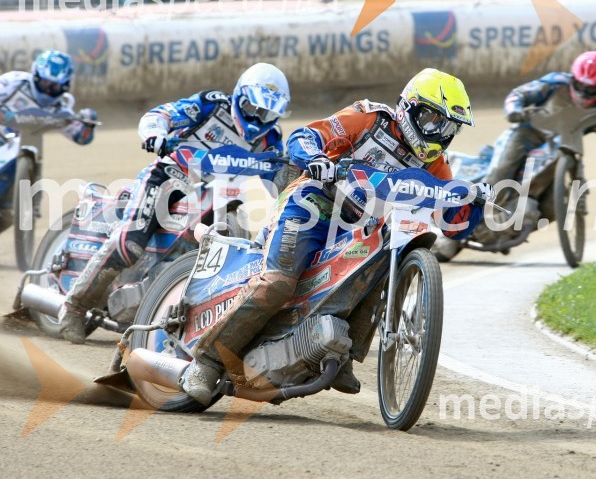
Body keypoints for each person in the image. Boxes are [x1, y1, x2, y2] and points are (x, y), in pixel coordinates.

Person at [180, 68, 491, 404]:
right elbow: (306, 135)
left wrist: (473, 200)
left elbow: (453, 224)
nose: (439, 134)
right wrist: (315, 158)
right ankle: (207, 361)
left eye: (449, 128)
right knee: (278, 282)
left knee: (388, 259)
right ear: (409, 109)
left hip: (357, 229)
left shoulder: (435, 163)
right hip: (310, 206)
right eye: (433, 121)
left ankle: (343, 356)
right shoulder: (368, 118)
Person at [58, 63, 292, 344]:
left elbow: (279, 182)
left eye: (267, 113)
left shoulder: (271, 140)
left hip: (222, 199)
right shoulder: (212, 105)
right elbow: (163, 114)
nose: (258, 118)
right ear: (239, 97)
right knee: (130, 244)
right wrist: (156, 134)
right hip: (170, 179)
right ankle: (73, 307)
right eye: (253, 109)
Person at [432, 51, 596, 262]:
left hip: (564, 148)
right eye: (581, 85)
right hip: (526, 135)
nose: (585, 93)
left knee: (554, 207)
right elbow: (519, 94)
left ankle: (515, 220)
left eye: (592, 88)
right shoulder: (555, 83)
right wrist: (514, 110)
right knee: (498, 175)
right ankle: (461, 224)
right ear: (574, 78)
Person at [0, 51, 96, 231]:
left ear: (65, 86)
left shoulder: (61, 106)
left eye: (54, 87)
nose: (48, 91)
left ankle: (16, 205)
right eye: (44, 83)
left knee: (8, 215)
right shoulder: (12, 82)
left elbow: (80, 137)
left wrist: (88, 124)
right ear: (35, 76)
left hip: (19, 148)